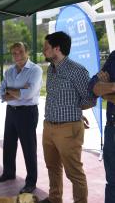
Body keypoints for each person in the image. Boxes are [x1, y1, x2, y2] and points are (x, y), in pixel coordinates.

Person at [39, 31, 96, 203]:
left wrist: (76, 113)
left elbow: (90, 99)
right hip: (48, 127)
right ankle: (55, 199)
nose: (43, 51)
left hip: (68, 129)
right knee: (52, 167)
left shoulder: (77, 70)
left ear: (57, 48)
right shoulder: (51, 69)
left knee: (74, 173)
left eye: (46, 47)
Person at [0, 42, 42, 194]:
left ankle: (31, 182)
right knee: (8, 143)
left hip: (27, 113)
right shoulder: (9, 71)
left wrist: (12, 92)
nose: (17, 55)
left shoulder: (35, 70)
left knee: (29, 148)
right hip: (11, 111)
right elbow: (1, 93)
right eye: (14, 53)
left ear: (27, 52)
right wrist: (17, 91)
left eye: (20, 52)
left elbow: (28, 94)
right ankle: (8, 172)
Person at [88, 51, 115, 203]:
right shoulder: (114, 57)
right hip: (112, 130)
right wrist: (111, 87)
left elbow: (102, 92)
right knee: (112, 184)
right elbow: (93, 86)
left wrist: (107, 92)